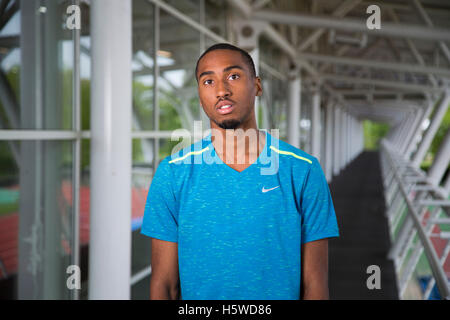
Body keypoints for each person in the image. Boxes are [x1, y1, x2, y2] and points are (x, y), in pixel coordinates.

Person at [140, 43, 339, 300]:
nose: (221, 90)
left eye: (233, 76)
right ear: (200, 95)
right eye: (208, 81)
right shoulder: (172, 174)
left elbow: (315, 286)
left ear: (257, 85)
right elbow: (164, 285)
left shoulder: (303, 170)